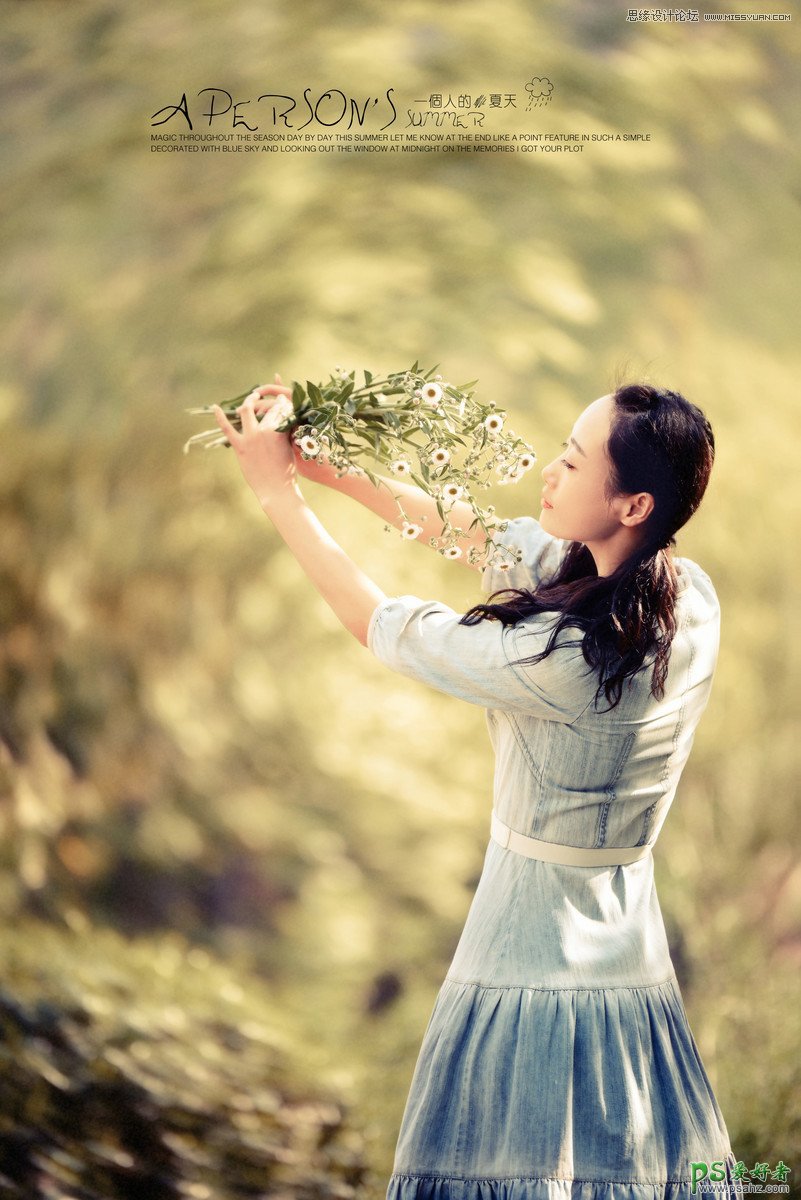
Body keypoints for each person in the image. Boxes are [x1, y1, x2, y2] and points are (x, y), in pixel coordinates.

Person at [213, 378, 738, 1199]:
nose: (550, 472)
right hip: (625, 945)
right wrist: (323, 468)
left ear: (631, 505)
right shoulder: (687, 602)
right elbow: (484, 537)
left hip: (530, 947)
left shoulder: (566, 663)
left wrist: (274, 492)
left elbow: (381, 624)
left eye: (572, 461)